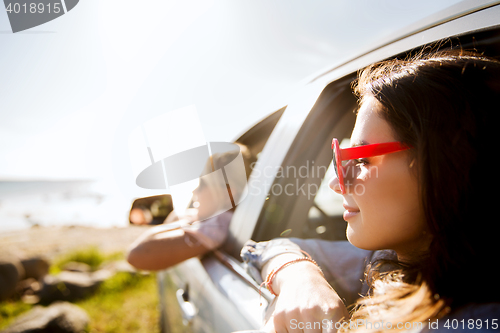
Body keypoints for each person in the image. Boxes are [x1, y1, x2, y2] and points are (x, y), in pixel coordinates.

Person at [241, 49, 500, 332]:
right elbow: (268, 248)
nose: (337, 183)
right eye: (342, 158)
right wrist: (299, 277)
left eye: (362, 159)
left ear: (448, 165)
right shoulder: (390, 261)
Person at [127, 143, 256, 271]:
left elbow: (136, 255)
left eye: (202, 184)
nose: (194, 191)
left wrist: (188, 221)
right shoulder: (228, 220)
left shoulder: (221, 222)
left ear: (227, 193)